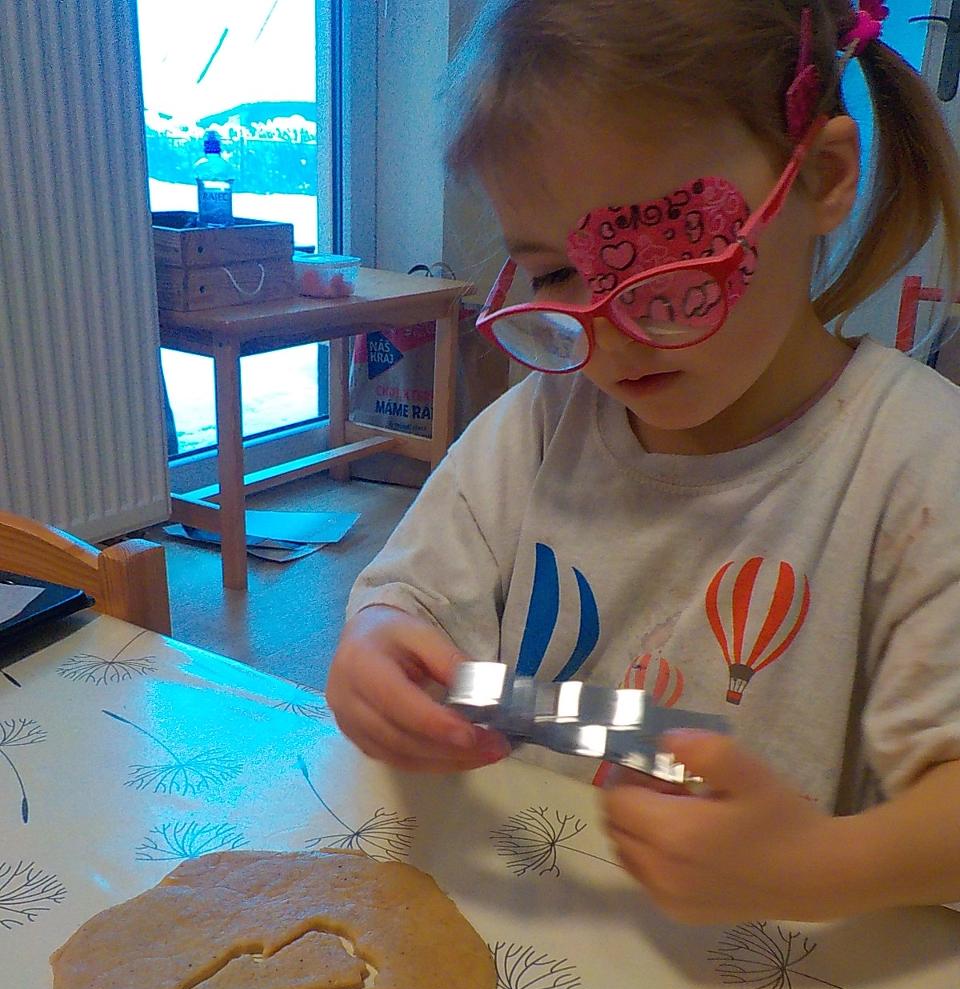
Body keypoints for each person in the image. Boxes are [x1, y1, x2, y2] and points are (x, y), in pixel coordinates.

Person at [327, 0, 960, 924]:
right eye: (555, 275)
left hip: (779, 972)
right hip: (543, 918)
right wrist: (375, 649)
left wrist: (821, 865)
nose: (611, 334)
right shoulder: (540, 424)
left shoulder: (922, 464)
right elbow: (406, 602)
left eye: (668, 254)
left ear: (822, 177)